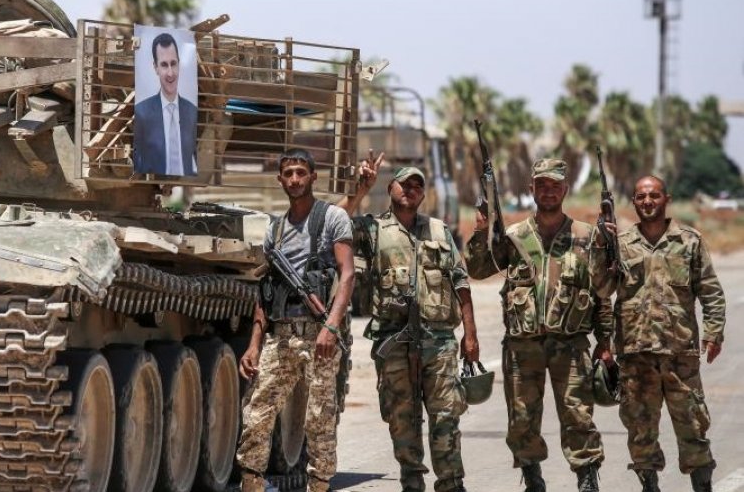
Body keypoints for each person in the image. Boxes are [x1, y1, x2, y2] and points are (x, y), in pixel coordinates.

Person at [464, 158, 612, 492]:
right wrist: (481, 230)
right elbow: (478, 269)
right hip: (522, 347)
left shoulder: (585, 237)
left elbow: (602, 293)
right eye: (542, 184)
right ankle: (533, 480)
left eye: (554, 185)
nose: (548, 191)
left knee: (579, 416)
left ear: (565, 189)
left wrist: (605, 343)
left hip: (571, 345)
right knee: (522, 419)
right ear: (531, 188)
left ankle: (587, 481)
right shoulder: (514, 236)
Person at [337, 154, 481, 492]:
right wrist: (359, 191)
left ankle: (451, 484)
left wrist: (470, 335)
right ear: (390, 188)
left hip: (438, 340)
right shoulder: (373, 229)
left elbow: (460, 282)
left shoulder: (438, 230)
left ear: (423, 194)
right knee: (402, 418)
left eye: (418, 185)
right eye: (405, 184)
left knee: (446, 417)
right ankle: (412, 482)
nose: (411, 190)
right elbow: (334, 223)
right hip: (394, 340)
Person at [589, 175, 725, 492]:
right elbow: (602, 289)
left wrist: (713, 332)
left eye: (654, 196)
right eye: (641, 197)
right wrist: (601, 246)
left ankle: (702, 486)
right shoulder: (620, 244)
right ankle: (649, 486)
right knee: (640, 430)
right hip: (636, 355)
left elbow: (711, 291)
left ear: (666, 199)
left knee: (693, 425)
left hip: (680, 355)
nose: (647, 202)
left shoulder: (689, 241)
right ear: (634, 202)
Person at [237, 148, 354, 492]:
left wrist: (331, 326)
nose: (295, 179)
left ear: (313, 177)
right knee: (257, 411)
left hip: (319, 334)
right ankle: (251, 482)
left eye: (301, 172)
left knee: (319, 418)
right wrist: (254, 344)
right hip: (282, 335)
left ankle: (319, 483)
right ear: (280, 179)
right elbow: (265, 293)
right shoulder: (274, 230)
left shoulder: (332, 218)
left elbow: (347, 275)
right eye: (288, 173)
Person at [133, 32, 198, 176]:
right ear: (155, 67)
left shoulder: (192, 112)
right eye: (164, 65)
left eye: (173, 64)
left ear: (179, 64)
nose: (170, 73)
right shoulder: (141, 113)